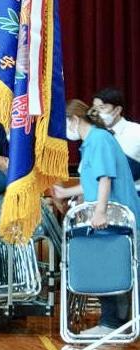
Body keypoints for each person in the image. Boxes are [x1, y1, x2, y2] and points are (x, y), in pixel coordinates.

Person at [52, 99, 140, 337]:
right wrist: (63, 193)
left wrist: (100, 211)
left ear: (74, 120)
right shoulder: (92, 142)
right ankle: (116, 322)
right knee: (109, 266)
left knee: (108, 267)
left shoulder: (99, 139)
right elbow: (92, 182)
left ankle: (112, 324)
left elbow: (105, 179)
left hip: (115, 218)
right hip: (110, 216)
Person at [91, 87, 140, 180]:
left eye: (102, 108)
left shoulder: (137, 132)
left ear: (117, 110)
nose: (96, 113)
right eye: (94, 108)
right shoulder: (94, 134)